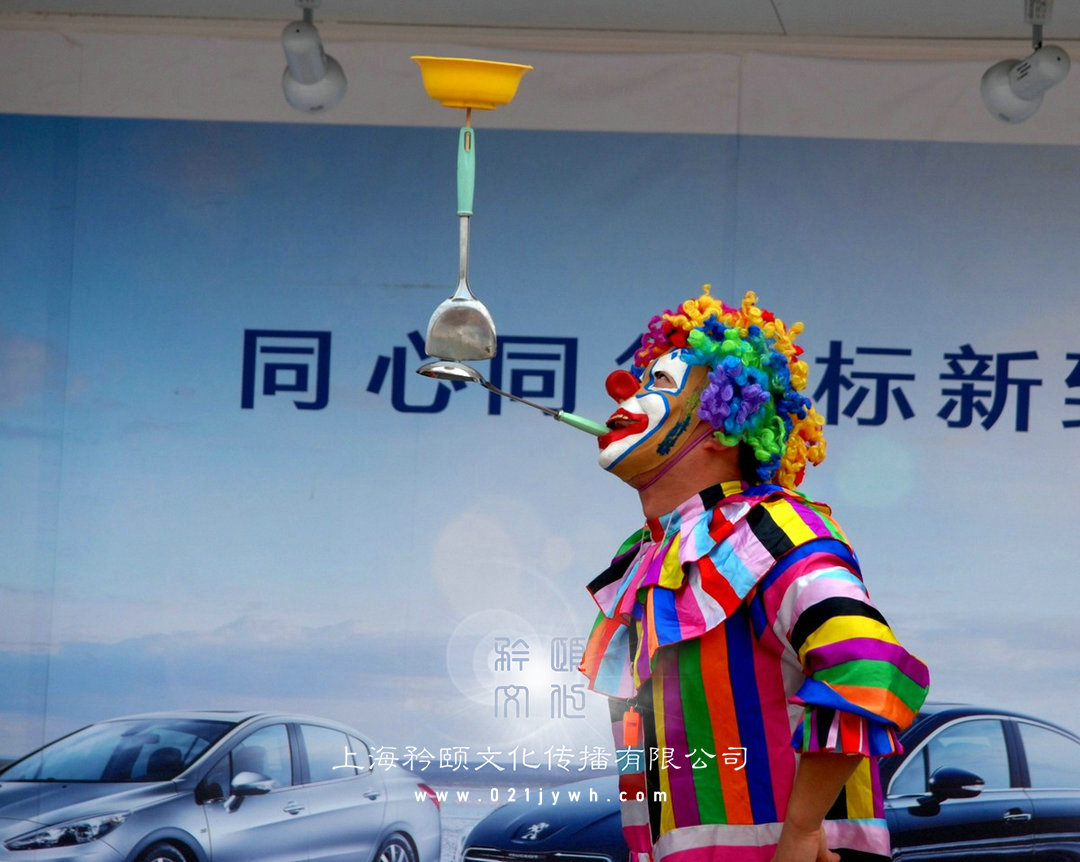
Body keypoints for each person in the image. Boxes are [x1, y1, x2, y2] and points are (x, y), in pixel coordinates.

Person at [579, 288, 929, 862]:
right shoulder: (648, 554)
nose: (624, 391)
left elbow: (866, 666)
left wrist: (802, 830)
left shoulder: (770, 530)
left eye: (658, 384)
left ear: (724, 427)